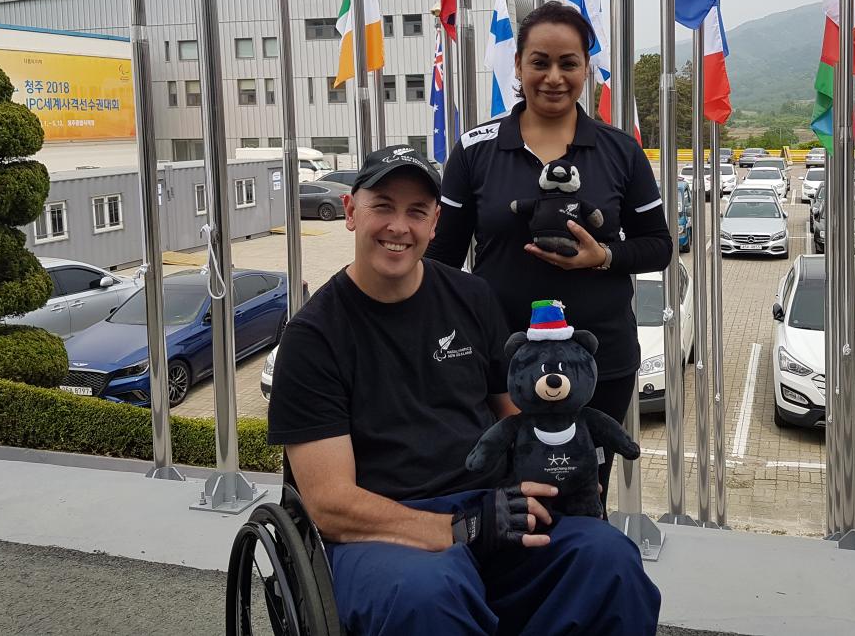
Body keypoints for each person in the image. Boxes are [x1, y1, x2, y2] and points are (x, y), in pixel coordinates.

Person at [268, 144, 661, 636]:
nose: (399, 227)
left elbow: (515, 417)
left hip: (487, 510)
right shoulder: (313, 336)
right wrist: (455, 531)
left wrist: (560, 469)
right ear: (351, 211)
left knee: (608, 559)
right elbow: (329, 504)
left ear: (435, 224)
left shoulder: (471, 297)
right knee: (430, 595)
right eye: (383, 206)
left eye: (417, 212)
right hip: (378, 534)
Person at [427, 1, 674, 500]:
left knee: (585, 489)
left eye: (569, 63)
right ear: (517, 65)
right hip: (499, 361)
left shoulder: (620, 150)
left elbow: (659, 247)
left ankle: (582, 570)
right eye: (540, 62)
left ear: (587, 67)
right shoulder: (475, 150)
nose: (554, 77)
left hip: (597, 361)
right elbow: (442, 260)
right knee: (505, 489)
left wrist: (602, 257)